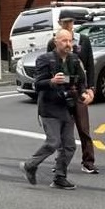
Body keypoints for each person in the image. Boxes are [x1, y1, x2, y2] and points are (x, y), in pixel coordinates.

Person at [21, 28, 91, 190]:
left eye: (70, 41)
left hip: (67, 106)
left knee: (69, 146)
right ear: (56, 42)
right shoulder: (45, 59)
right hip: (49, 107)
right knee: (53, 142)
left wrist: (84, 93)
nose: (69, 44)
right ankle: (30, 165)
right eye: (65, 41)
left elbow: (80, 80)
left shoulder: (74, 59)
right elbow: (37, 84)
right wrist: (52, 81)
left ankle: (60, 177)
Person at [47, 17, 98, 174]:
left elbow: (89, 65)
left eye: (70, 22)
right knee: (63, 130)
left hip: (78, 90)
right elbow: (51, 66)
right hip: (62, 92)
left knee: (84, 128)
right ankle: (60, 162)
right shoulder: (53, 43)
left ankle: (88, 161)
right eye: (64, 22)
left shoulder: (83, 41)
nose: (68, 25)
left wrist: (91, 89)